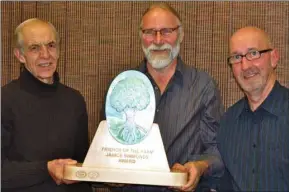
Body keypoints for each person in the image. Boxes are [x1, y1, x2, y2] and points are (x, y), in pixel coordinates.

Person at [101, 3, 224, 192]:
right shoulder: (120, 86)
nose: (158, 40)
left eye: (166, 31)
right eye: (150, 32)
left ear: (180, 35)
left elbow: (216, 150)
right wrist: (110, 172)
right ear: (141, 36)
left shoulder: (203, 86)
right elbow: (106, 149)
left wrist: (199, 167)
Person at [1, 18, 92, 192]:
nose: (45, 55)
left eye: (51, 45)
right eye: (34, 48)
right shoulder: (4, 100)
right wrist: (46, 169)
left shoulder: (75, 100)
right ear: (20, 55)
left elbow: (82, 169)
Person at [217, 26, 289, 191]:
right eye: (236, 57)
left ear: (274, 58)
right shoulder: (228, 122)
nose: (245, 66)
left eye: (253, 54)